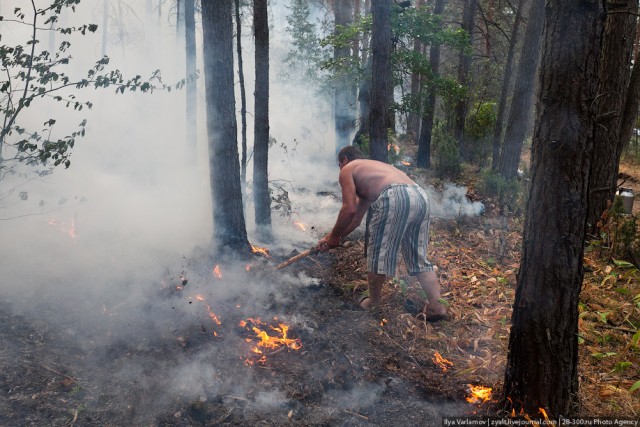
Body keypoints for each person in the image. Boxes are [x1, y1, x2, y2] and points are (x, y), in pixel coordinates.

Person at [317, 146, 447, 321]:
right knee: (418, 257)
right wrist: (334, 237)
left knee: (379, 254)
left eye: (339, 165)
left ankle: (374, 304)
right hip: (420, 196)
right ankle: (436, 307)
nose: (340, 169)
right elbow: (355, 220)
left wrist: (333, 236)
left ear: (345, 160)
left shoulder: (348, 169)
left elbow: (348, 209)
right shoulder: (372, 174)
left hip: (395, 196)